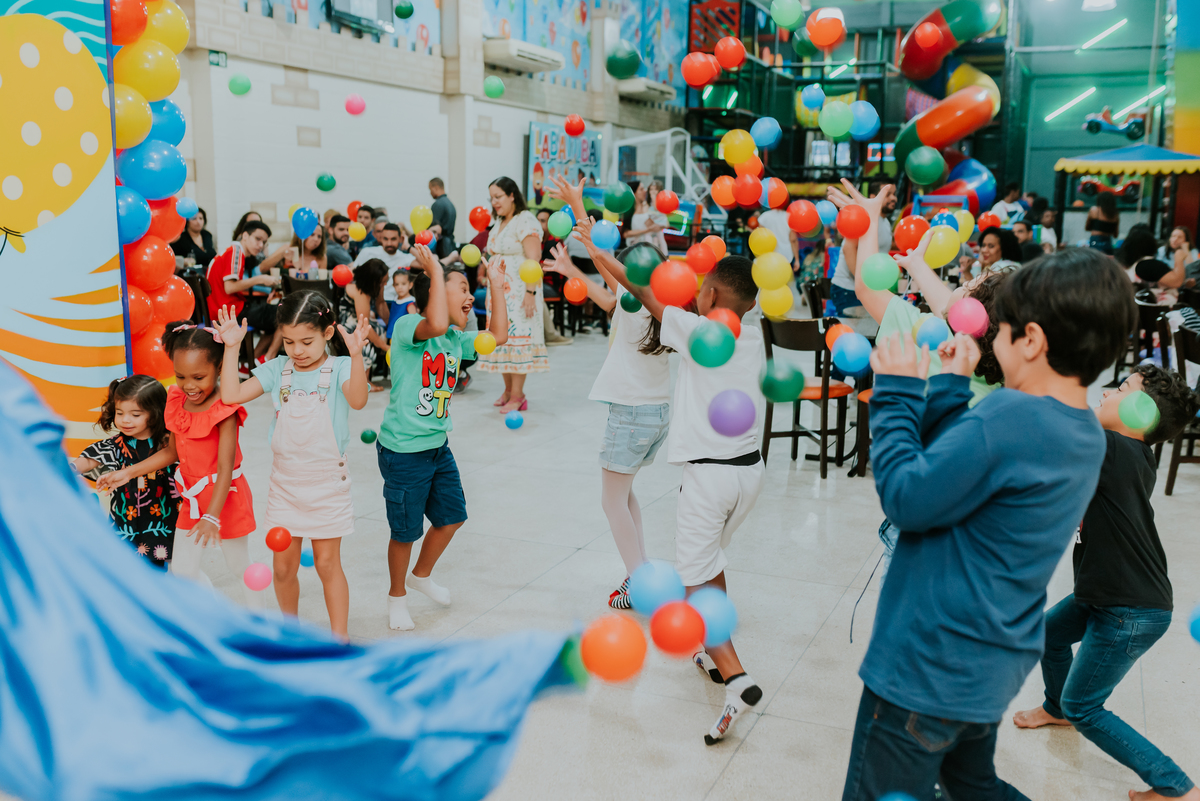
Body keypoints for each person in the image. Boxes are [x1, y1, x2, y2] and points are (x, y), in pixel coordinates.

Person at [0, 358, 581, 800]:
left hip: (203, 514)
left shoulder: (193, 418)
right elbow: (78, 453)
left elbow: (198, 452)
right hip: (140, 533)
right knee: (177, 600)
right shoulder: (105, 433)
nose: (131, 418)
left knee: (214, 600)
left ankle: (306, 650)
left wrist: (199, 500)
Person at [841, 249, 1138, 800]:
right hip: (990, 661)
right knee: (971, 785)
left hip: (928, 660)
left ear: (1031, 340)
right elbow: (963, 470)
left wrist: (896, 392)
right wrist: (952, 388)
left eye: (999, 329)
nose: (987, 337)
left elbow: (908, 498)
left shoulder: (1010, 416)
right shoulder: (1083, 430)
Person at [573, 208, 766, 745]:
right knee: (711, 565)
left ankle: (738, 680)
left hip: (709, 481)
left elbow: (642, 290)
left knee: (696, 581)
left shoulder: (696, 330)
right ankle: (711, 653)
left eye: (702, 287)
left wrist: (599, 251)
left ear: (709, 295)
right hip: (750, 473)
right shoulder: (753, 336)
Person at [1013, 365, 1200, 801]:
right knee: (1047, 635)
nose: (1106, 392)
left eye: (1121, 388)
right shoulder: (1131, 452)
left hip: (1129, 610)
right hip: (1105, 593)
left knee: (1086, 706)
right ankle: (1056, 709)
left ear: (1140, 411)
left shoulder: (1114, 448)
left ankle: (1176, 787)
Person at [215, 292, 371, 640]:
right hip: (286, 484)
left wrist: (356, 356)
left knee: (327, 564)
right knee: (283, 568)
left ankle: (340, 641)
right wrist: (231, 348)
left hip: (327, 483)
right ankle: (291, 634)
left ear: (327, 333)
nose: (297, 350)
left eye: (306, 341)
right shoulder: (278, 369)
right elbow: (231, 396)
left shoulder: (339, 368)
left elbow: (359, 401)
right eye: (288, 342)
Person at [378, 246, 510, 631]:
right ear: (435, 293)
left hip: (437, 447)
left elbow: (498, 335)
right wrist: (436, 271)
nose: (470, 296)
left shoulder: (454, 338)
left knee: (452, 518)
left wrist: (496, 286)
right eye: (462, 288)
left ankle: (420, 575)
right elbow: (433, 324)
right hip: (404, 451)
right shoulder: (409, 326)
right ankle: (396, 597)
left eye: (470, 289)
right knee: (405, 532)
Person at [97, 323, 266, 609]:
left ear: (219, 368)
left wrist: (212, 517)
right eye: (180, 376)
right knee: (183, 570)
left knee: (239, 565)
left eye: (199, 377)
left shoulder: (225, 410)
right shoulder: (177, 401)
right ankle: (213, 616)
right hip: (192, 501)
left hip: (225, 500)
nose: (189, 385)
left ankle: (260, 620)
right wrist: (126, 472)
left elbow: (225, 468)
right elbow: (171, 452)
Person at [71, 375, 179, 569]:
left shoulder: (168, 444)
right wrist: (69, 468)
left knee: (163, 568)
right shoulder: (116, 445)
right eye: (119, 413)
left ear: (155, 413)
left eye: (135, 415)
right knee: (126, 567)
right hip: (126, 522)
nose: (125, 420)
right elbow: (89, 459)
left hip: (163, 520)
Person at [476, 176, 550, 412]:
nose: (494, 202)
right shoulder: (499, 221)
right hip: (499, 291)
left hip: (519, 290)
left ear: (512, 196)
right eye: (491, 198)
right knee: (502, 339)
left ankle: (518, 395)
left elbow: (534, 258)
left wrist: (530, 291)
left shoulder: (525, 220)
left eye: (498, 197)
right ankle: (508, 391)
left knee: (519, 339)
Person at [205, 220, 283, 363]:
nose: (260, 245)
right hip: (228, 311)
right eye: (257, 239)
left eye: (264, 242)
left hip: (222, 309)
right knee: (285, 314)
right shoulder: (236, 252)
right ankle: (267, 358)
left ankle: (251, 362)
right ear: (245, 236)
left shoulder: (230, 251)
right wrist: (260, 279)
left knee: (274, 318)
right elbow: (230, 287)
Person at [828, 180, 895, 317]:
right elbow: (848, 249)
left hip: (867, 289)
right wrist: (865, 284)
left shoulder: (885, 222)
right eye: (888, 195)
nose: (894, 198)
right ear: (873, 197)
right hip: (848, 289)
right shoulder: (864, 218)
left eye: (894, 194)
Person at [340, 259, 392, 385]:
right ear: (373, 281)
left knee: (380, 329)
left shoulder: (374, 287)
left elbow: (381, 305)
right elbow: (363, 325)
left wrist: (391, 327)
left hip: (361, 320)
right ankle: (364, 381)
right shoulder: (360, 291)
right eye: (383, 282)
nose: (385, 284)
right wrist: (385, 347)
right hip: (349, 323)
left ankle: (367, 377)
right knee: (365, 338)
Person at [354, 222, 414, 309]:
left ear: (400, 239)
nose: (389, 243)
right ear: (381, 238)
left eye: (393, 239)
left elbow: (424, 263)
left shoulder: (405, 257)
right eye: (385, 239)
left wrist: (408, 247)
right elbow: (354, 274)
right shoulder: (367, 252)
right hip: (369, 299)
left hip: (394, 301)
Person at [259, 223, 329, 277]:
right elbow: (262, 268)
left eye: (319, 236)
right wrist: (282, 254)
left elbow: (322, 283)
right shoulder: (287, 248)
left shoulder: (321, 257)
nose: (316, 239)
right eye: (312, 234)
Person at [625, 182, 669, 253]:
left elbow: (665, 223)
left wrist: (658, 225)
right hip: (635, 249)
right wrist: (647, 230)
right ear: (634, 193)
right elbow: (625, 233)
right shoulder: (629, 210)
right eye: (641, 189)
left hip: (650, 247)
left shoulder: (650, 207)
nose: (645, 191)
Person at [428, 177, 457, 259]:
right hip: (450, 246)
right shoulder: (451, 204)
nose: (430, 192)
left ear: (436, 188)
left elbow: (434, 230)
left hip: (441, 248)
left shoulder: (437, 205)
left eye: (430, 189)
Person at [387, 269, 415, 340]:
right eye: (397, 284)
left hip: (401, 336)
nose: (400, 287)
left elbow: (413, 320)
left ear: (410, 285)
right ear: (393, 285)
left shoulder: (410, 303)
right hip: (392, 333)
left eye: (403, 284)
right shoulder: (395, 298)